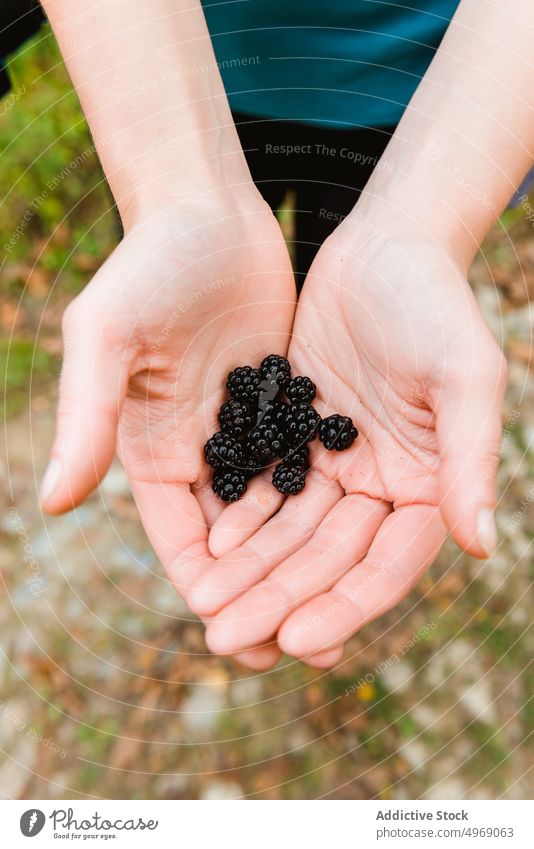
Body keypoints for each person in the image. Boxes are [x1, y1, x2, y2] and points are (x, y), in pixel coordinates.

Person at [4, 1, 532, 670]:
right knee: (218, 274)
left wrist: (425, 222)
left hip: (445, 94)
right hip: (172, 70)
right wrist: (178, 189)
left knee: (343, 279)